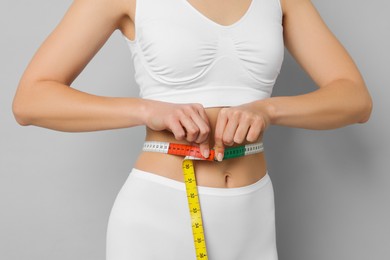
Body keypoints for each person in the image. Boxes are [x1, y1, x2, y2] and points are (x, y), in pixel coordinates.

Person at [12, 0, 372, 259]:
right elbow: (30, 100)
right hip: (159, 213)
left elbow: (355, 98)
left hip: (253, 216)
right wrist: (146, 110)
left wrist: (268, 109)